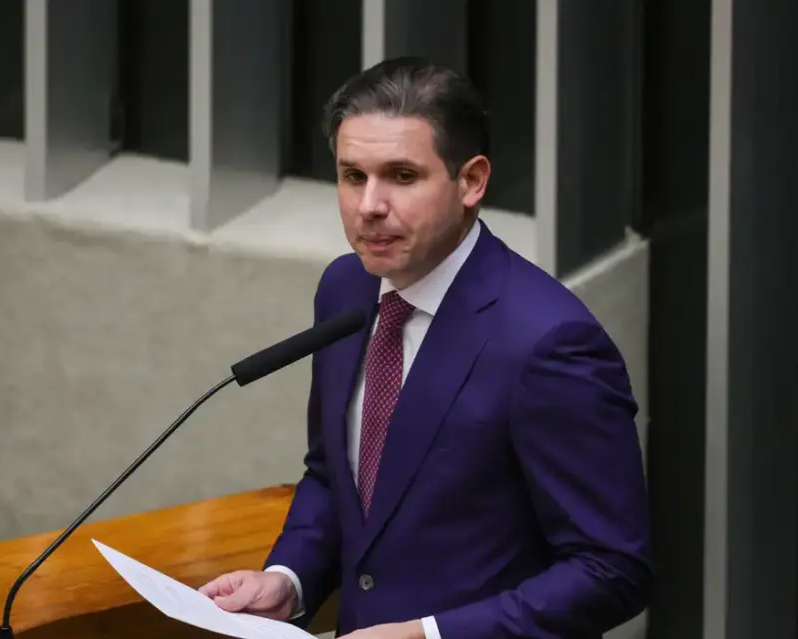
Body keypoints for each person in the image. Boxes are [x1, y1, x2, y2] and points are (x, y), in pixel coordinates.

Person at [199, 57, 652, 639]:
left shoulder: (550, 343)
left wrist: (429, 634)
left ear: (471, 182)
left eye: (402, 176)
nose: (369, 205)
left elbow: (612, 570)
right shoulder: (345, 288)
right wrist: (290, 579)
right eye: (353, 176)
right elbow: (336, 477)